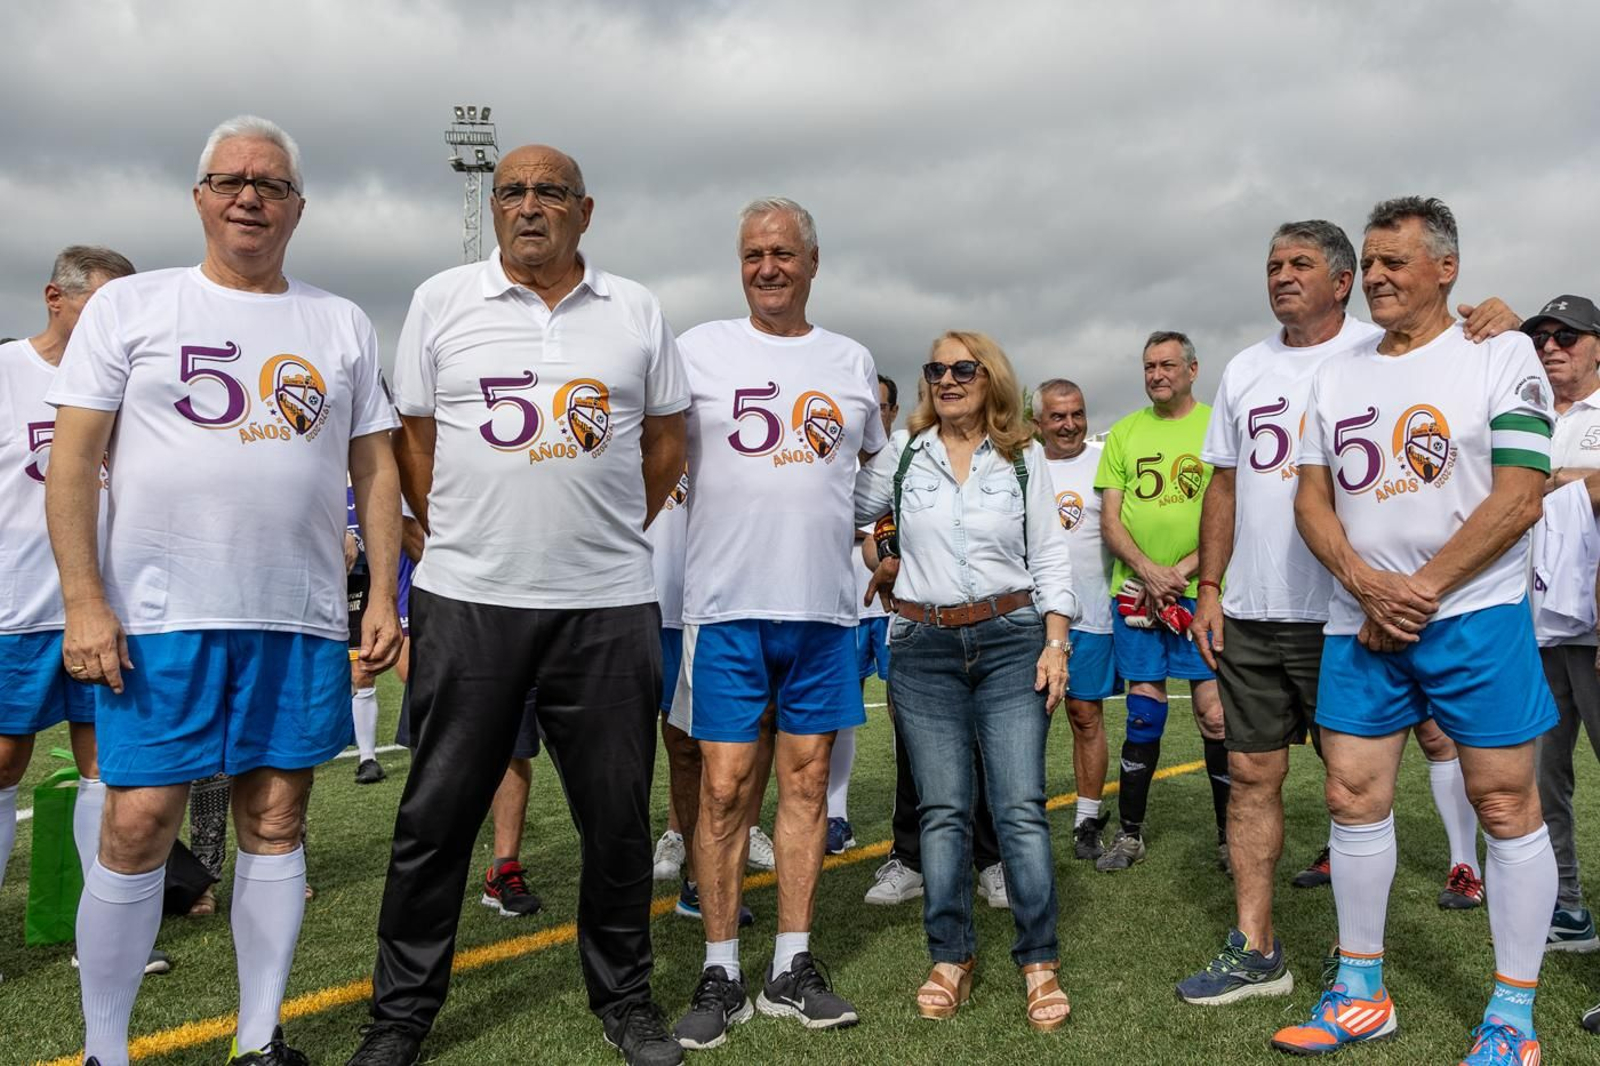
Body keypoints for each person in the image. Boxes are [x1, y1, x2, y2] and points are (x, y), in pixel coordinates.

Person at [47, 116, 401, 1065]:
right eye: (230, 179)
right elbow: (75, 464)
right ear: (199, 197)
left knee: (279, 821)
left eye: (271, 183)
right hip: (162, 617)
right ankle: (104, 1049)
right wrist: (85, 601)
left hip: (298, 615)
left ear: (297, 206)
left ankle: (258, 1040)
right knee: (136, 822)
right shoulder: (134, 309)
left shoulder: (342, 322)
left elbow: (376, 470)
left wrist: (381, 597)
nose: (250, 194)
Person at [353, 145, 687, 1066]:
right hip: (470, 600)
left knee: (616, 821)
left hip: (610, 604)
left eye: (550, 192)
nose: (530, 206)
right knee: (433, 820)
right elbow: (415, 444)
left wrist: (603, 532)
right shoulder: (440, 300)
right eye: (512, 192)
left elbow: (666, 445)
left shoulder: (637, 309)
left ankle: (624, 1000)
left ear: (586, 209)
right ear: (493, 207)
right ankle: (400, 1019)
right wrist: (467, 534)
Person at [1176, 220, 1523, 1006]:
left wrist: (1502, 315)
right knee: (1251, 774)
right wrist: (1209, 587)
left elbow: (1472, 363)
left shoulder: (1381, 349)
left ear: (1341, 282)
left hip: (1346, 612)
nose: (1281, 276)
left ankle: (1357, 960)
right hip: (1255, 612)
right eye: (1272, 264)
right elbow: (1224, 484)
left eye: (1301, 264)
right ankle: (1256, 946)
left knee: (1355, 790)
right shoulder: (1244, 369)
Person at [1273, 196, 1557, 1065]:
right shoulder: (1340, 372)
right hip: (1358, 623)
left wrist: (1422, 591)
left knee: (1504, 802)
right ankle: (1361, 992)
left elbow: (1520, 493)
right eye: (1372, 261)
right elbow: (1311, 496)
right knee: (1350, 796)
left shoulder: (1501, 352)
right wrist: (1364, 583)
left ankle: (1512, 1017)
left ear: (1447, 268)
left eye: (1398, 261)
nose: (1381, 277)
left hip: (1473, 617)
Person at [668, 197, 884, 1049]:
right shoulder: (698, 350)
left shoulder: (852, 359)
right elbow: (659, 456)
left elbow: (870, 469)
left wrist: (858, 535)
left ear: (813, 262)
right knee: (722, 791)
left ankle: (791, 963)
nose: (767, 267)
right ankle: (720, 968)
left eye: (783, 253)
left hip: (823, 613)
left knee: (806, 787)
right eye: (754, 253)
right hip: (723, 607)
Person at [856, 331, 1075, 1029]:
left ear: (991, 378)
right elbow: (852, 513)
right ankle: (950, 955)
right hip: (921, 646)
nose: (947, 380)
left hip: (1012, 641)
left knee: (1019, 807)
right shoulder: (902, 452)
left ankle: (1038, 961)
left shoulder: (1023, 458)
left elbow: (1049, 555)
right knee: (943, 812)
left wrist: (1057, 643)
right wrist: (880, 556)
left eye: (962, 369)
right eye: (936, 370)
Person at [0, 245, 173, 981]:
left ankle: (97, 935)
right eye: (102, 304)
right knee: (5, 762)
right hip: (16, 608)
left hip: (112, 610)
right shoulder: (8, 374)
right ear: (54, 298)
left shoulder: (136, 383)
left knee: (113, 770)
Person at [1093, 331, 1229, 872]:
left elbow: (1231, 511)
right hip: (1137, 598)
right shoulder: (1124, 433)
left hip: (1204, 596)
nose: (1156, 374)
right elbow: (1110, 519)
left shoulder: (1218, 426)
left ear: (1193, 369)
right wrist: (1150, 572)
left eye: (1168, 365)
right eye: (1149, 366)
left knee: (1215, 716)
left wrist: (1183, 571)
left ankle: (1227, 836)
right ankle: (1129, 835)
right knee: (1143, 715)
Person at [1033, 378, 1117, 860]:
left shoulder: (1106, 462)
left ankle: (1086, 821)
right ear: (1039, 422)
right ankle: (1020, 818)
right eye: (1058, 416)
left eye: (1077, 414)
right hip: (1032, 617)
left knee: (1086, 716)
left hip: (1093, 612)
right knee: (1027, 722)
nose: (1069, 424)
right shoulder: (1020, 465)